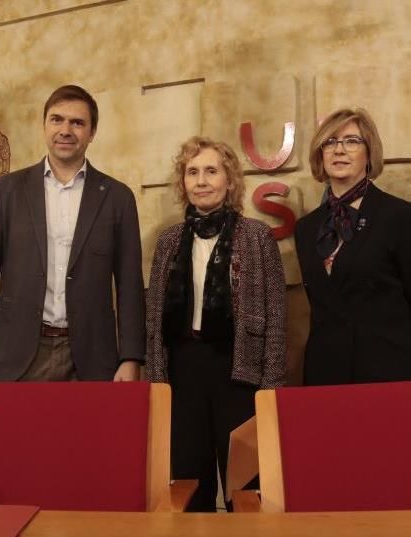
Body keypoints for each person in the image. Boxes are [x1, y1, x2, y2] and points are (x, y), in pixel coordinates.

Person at [0, 84, 145, 382]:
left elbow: (130, 286)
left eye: (77, 123)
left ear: (92, 133)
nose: (65, 130)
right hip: (15, 355)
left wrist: (131, 357)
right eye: (57, 119)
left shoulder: (118, 198)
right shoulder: (7, 191)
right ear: (44, 126)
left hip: (92, 359)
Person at [146, 137, 287, 511]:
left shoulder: (257, 237)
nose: (201, 180)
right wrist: (156, 383)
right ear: (183, 182)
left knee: (247, 488)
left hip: (239, 373)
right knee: (190, 486)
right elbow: (154, 322)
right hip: (183, 373)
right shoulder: (169, 241)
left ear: (229, 180)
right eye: (193, 172)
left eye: (211, 171)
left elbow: (276, 316)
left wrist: (271, 388)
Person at [294, 108, 411, 385]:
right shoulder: (305, 228)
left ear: (370, 153)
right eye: (330, 142)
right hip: (326, 374)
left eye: (351, 141)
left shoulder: (400, 216)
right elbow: (321, 305)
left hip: (389, 370)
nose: (339, 150)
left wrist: (397, 353)